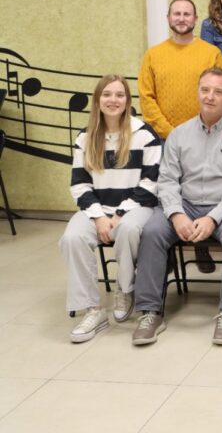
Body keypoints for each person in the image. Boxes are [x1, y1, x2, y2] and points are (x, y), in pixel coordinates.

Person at [131, 68, 222, 346]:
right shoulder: (179, 134)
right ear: (197, 93)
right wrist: (176, 214)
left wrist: (213, 218)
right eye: (205, 90)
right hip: (184, 204)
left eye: (218, 92)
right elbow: (167, 180)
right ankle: (150, 312)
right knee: (152, 231)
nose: (210, 96)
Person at [60, 75, 161, 342]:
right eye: (106, 94)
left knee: (128, 229)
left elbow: (151, 183)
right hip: (98, 209)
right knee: (72, 237)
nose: (113, 100)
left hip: (137, 206)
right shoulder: (85, 137)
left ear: (127, 100)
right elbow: (80, 185)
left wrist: (119, 213)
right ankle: (93, 310)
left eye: (119, 95)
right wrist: (98, 217)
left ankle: (125, 289)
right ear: (97, 100)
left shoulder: (144, 134)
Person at [138, 0, 222, 140]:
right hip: (164, 139)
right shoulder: (152, 55)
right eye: (176, 14)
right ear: (168, 18)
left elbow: (221, 95)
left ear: (195, 19)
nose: (181, 18)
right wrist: (170, 133)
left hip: (205, 137)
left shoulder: (212, 54)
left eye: (186, 14)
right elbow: (146, 97)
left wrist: (203, 129)